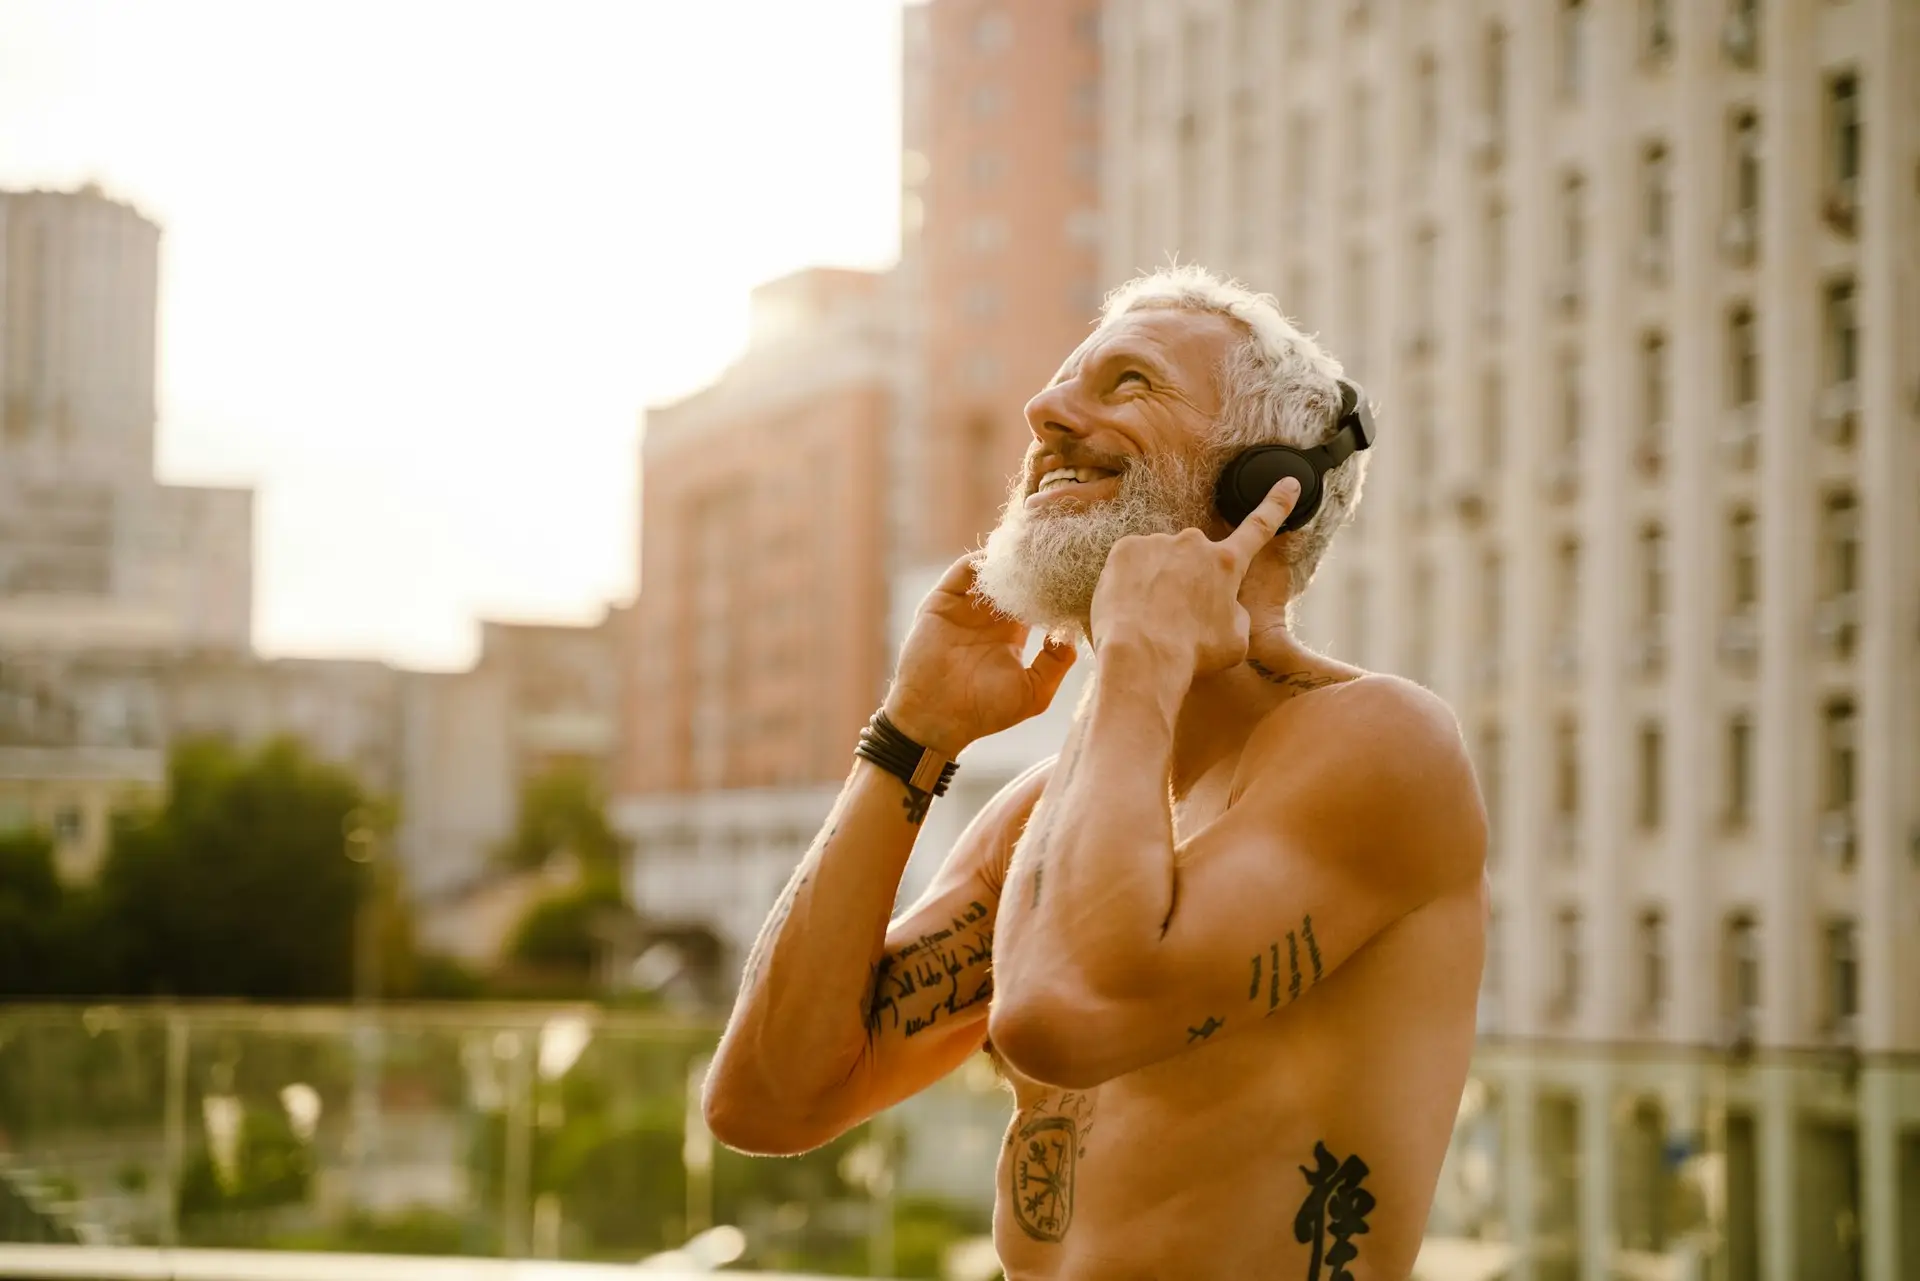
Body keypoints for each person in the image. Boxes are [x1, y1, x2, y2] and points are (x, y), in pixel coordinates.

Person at [703, 265, 1488, 1281]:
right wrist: (913, 735)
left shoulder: (1382, 742)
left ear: (1267, 484)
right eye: (1062, 385)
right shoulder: (1050, 812)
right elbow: (767, 1100)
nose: (1043, 411)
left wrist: (1137, 656)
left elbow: (1063, 1016)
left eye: (1126, 383)